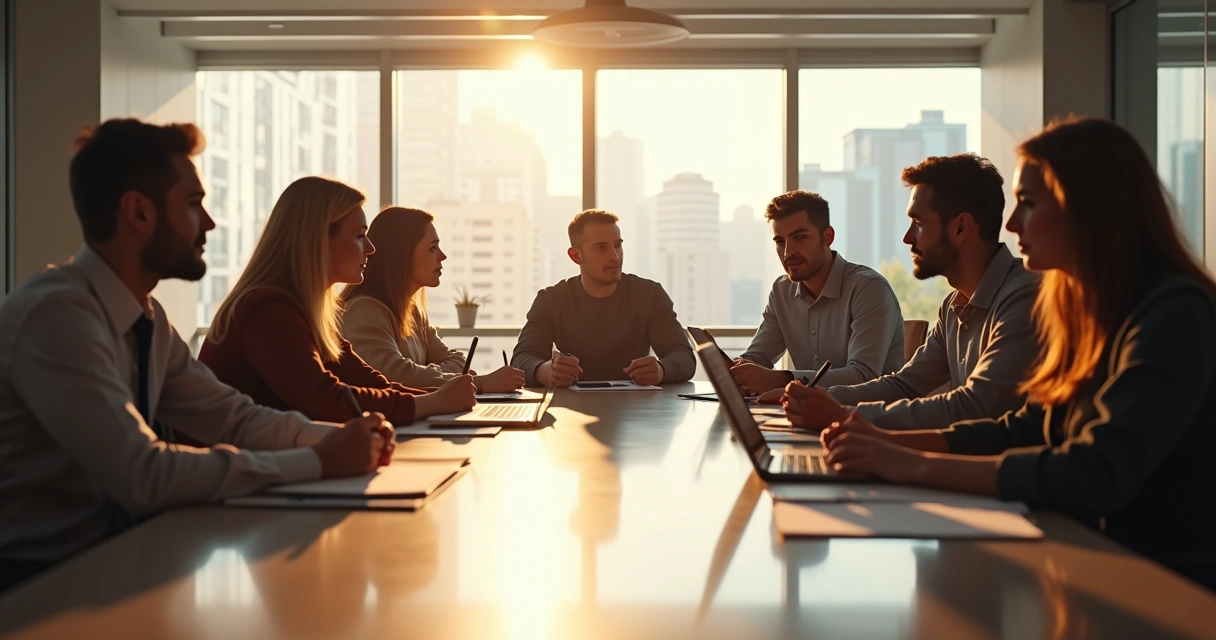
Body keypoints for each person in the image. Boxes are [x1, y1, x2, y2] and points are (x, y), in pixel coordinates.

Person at [812, 118, 1216, 580]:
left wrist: (910, 462)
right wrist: (884, 443)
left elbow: (1095, 471)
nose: (1009, 222)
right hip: (1090, 560)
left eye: (1028, 203)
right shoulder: (1086, 314)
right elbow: (1025, 428)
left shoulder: (1175, 313)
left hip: (1165, 586)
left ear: (1086, 208)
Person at [0, 119, 393, 593]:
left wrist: (340, 439)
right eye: (193, 204)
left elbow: (235, 419)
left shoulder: (147, 319)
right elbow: (141, 474)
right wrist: (319, 460)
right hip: (36, 588)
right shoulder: (56, 316)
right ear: (138, 213)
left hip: (115, 566)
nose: (209, 222)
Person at [768, 155, 1040, 431]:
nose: (907, 237)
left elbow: (976, 406)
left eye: (918, 223)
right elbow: (905, 384)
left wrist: (841, 413)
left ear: (960, 227)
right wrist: (816, 397)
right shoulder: (953, 306)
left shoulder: (1024, 298)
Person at [199, 178, 475, 426]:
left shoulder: (313, 311)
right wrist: (435, 401)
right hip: (236, 475)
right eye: (359, 236)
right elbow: (324, 397)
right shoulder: (268, 310)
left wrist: (438, 397)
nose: (371, 248)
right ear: (317, 239)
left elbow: (372, 382)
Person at [731, 190, 904, 395]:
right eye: (780, 242)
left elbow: (863, 375)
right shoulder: (782, 291)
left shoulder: (869, 288)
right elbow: (757, 358)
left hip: (870, 418)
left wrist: (782, 379)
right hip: (806, 417)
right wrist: (736, 371)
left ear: (828, 236)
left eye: (800, 237)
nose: (787, 252)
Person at [340, 206, 525, 392]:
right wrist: (480, 383)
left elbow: (458, 361)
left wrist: (424, 374)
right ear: (402, 254)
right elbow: (396, 377)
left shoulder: (413, 311)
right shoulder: (364, 310)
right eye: (432, 248)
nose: (442, 256)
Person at [512, 209, 695, 387]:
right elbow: (521, 359)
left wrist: (661, 370)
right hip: (570, 412)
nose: (615, 256)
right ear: (576, 256)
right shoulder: (551, 300)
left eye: (617, 245)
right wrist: (545, 371)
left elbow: (684, 357)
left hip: (636, 410)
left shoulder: (650, 294)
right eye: (601, 248)